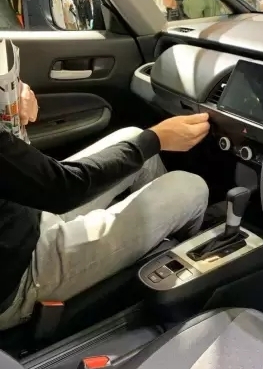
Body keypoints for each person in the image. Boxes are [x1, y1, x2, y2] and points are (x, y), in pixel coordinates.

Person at [0, 83, 211, 331]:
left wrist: (16, 95)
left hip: (25, 212)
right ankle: (192, 271)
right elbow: (63, 189)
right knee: (191, 188)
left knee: (133, 137)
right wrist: (156, 139)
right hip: (17, 274)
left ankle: (164, 241)